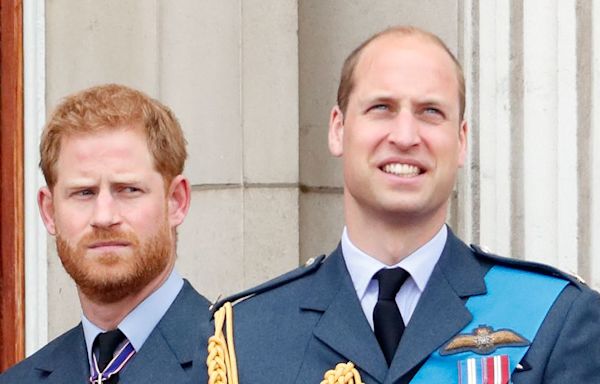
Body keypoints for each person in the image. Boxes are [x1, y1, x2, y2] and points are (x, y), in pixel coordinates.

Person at [209, 26, 600, 383]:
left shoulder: (556, 319)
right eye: (381, 107)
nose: (406, 135)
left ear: (461, 139)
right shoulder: (246, 335)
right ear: (338, 129)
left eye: (431, 112)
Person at [0, 84, 211, 383]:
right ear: (49, 212)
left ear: (176, 201)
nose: (104, 217)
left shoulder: (243, 363)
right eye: (83, 192)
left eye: (128, 190)